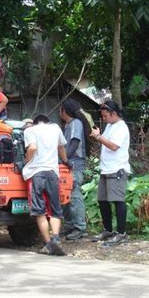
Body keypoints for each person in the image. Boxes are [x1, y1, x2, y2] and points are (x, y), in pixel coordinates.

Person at [22, 114, 68, 256]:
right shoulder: (55, 129)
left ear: (35, 123)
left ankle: (48, 244)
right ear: (48, 122)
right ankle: (56, 238)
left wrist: (26, 162)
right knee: (55, 208)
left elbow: (32, 148)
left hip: (37, 174)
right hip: (53, 173)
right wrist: (66, 161)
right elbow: (61, 148)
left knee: (39, 210)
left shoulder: (30, 131)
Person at [90, 101, 131, 246]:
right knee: (102, 200)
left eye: (106, 116)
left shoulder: (121, 127)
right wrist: (99, 136)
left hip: (117, 169)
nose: (103, 118)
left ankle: (121, 233)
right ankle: (108, 230)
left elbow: (113, 146)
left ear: (114, 114)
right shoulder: (109, 125)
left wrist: (98, 137)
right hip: (105, 168)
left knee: (118, 200)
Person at [59, 99, 92, 241]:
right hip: (67, 164)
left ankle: (80, 227)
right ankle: (69, 225)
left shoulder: (75, 124)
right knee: (65, 193)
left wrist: (65, 159)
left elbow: (75, 142)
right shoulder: (69, 124)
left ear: (64, 111)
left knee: (74, 194)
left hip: (74, 163)